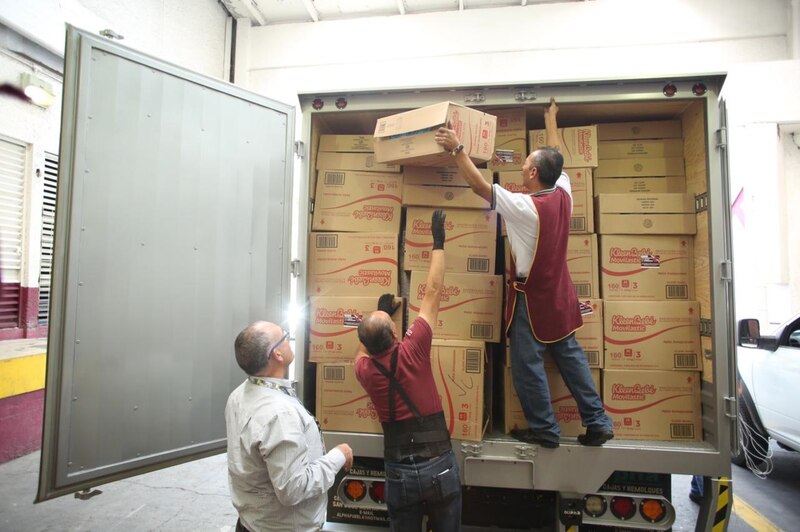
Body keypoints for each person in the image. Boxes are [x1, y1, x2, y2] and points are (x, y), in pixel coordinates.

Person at [434, 98, 613, 448]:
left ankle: (545, 430)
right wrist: (551, 121)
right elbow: (556, 155)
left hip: (532, 300)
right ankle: (597, 420)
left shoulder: (526, 207)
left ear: (533, 173)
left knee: (527, 364)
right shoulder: (563, 191)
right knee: (570, 356)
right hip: (560, 294)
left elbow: (479, 186)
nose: (522, 165)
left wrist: (456, 147)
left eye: (527, 163)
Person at [355, 209, 462, 532]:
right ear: (396, 334)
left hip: (399, 472)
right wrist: (438, 242)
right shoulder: (414, 348)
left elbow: (362, 347)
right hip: (437, 464)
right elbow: (432, 291)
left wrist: (380, 311)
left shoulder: (364, 370)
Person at [226, 320, 354, 532]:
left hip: (252, 522)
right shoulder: (279, 415)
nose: (288, 337)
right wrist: (338, 455)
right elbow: (293, 488)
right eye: (284, 336)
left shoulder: (239, 395)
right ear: (277, 354)